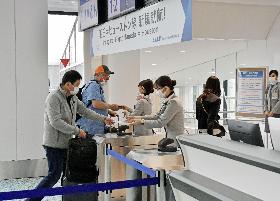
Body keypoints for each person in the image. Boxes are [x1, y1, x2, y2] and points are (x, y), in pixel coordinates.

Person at [26, 70, 113, 201]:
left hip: (66, 144)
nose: (78, 87)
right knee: (53, 175)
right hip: (53, 145)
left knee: (67, 174)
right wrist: (77, 131)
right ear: (68, 84)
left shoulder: (72, 98)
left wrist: (103, 118)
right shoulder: (53, 97)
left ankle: (67, 198)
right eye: (76, 84)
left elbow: (86, 111)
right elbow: (56, 122)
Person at [127, 76, 184, 145]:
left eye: (158, 89)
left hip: (175, 139)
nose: (157, 92)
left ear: (165, 88)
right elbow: (156, 116)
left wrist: (141, 121)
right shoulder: (168, 101)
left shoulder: (174, 102)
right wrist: (137, 118)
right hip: (170, 137)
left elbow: (160, 122)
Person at [76, 65, 120, 135]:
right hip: (90, 126)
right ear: (99, 74)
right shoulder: (94, 85)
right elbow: (96, 104)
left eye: (108, 76)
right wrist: (110, 106)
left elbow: (92, 105)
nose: (108, 78)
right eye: (106, 75)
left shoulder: (94, 85)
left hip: (93, 125)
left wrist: (108, 111)